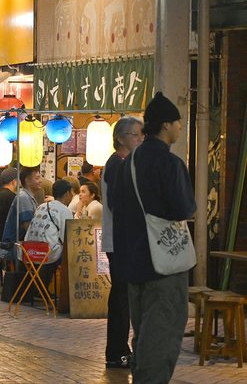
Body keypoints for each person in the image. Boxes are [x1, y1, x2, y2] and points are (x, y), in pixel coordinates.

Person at [110, 92, 196, 382]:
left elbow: (117, 206)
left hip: (134, 264)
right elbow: (184, 208)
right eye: (178, 122)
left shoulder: (128, 163)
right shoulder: (170, 164)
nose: (180, 128)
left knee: (145, 333)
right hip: (164, 265)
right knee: (162, 335)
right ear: (166, 126)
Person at [101, 116, 144, 369]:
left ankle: (118, 350)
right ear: (120, 138)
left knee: (122, 297)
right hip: (120, 241)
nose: (140, 138)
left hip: (121, 240)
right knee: (121, 298)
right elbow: (119, 203)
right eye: (135, 134)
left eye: (141, 134)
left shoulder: (123, 163)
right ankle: (117, 352)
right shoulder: (118, 164)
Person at [24, 179, 74, 286]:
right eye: (71, 193)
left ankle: (40, 288)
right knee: (71, 256)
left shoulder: (41, 206)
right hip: (47, 254)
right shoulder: (65, 211)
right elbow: (67, 238)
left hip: (29, 252)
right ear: (67, 194)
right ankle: (60, 291)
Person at [1, 166, 43, 260]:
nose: (40, 180)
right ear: (27, 181)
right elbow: (28, 228)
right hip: (16, 248)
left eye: (40, 177)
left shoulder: (28, 197)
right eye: (37, 178)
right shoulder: (23, 197)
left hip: (21, 246)